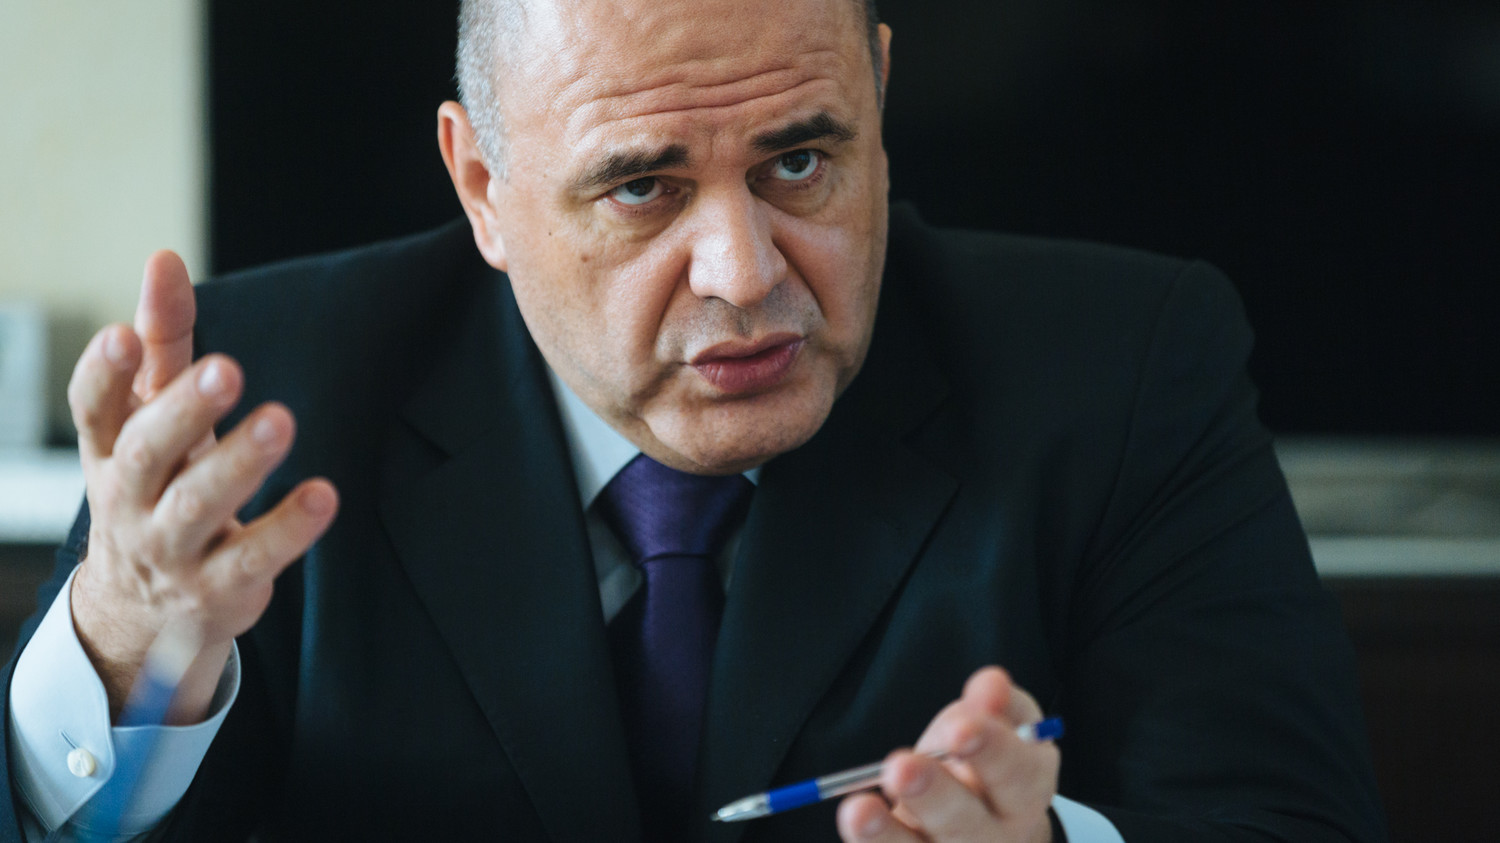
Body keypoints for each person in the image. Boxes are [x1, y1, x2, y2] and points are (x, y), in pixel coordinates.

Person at [2, 0, 1387, 840]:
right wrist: (122, 653)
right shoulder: (261, 394)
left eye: (801, 161)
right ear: (483, 187)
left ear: (880, 99)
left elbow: (1291, 821)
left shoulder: (1123, 367)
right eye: (641, 188)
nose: (743, 272)